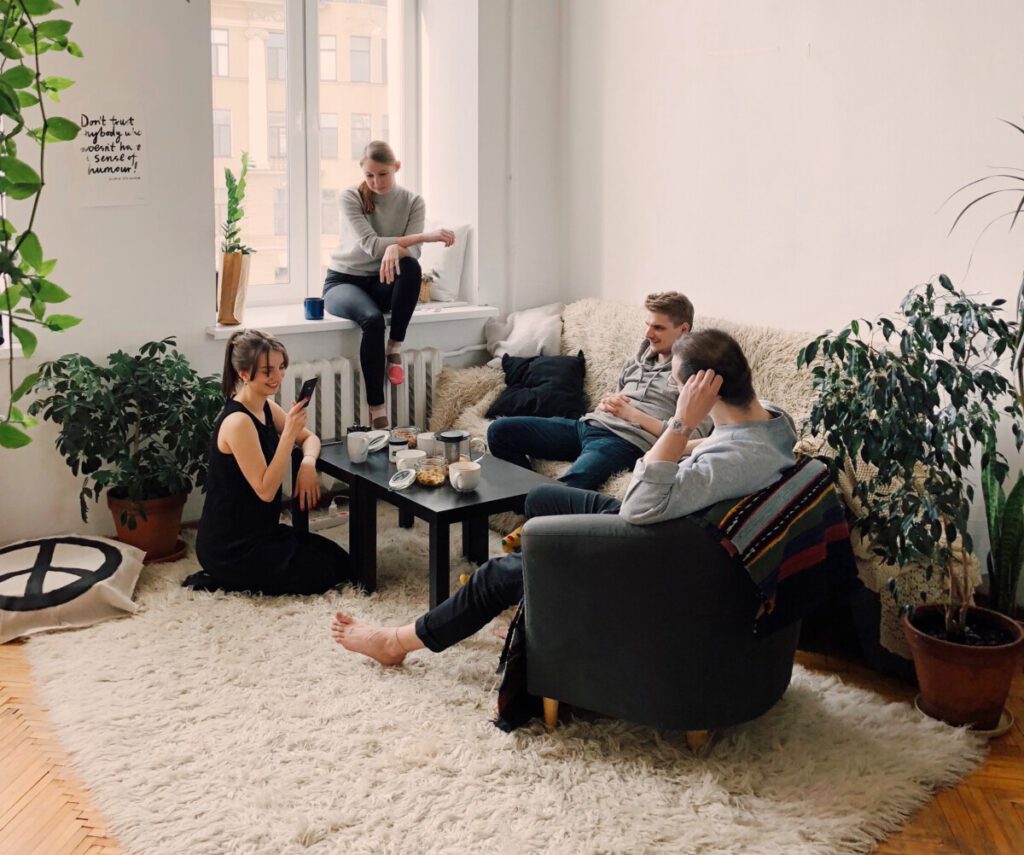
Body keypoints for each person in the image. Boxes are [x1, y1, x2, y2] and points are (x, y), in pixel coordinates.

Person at [330, 328, 798, 666]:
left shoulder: (729, 462)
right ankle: (540, 599)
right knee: (542, 500)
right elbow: (715, 448)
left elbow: (639, 504)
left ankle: (396, 642)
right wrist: (688, 437)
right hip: (671, 515)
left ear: (703, 387)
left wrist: (678, 423)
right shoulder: (771, 422)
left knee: (498, 572)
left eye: (677, 382)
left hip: (653, 547)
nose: (675, 388)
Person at [486, 291, 712, 493]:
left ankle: (536, 518)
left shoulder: (695, 375)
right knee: (500, 431)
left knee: (568, 489)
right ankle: (526, 505)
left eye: (658, 328)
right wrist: (606, 405)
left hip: (623, 442)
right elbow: (619, 399)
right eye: (648, 325)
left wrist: (632, 416)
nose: (648, 334)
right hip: (587, 426)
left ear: (684, 329)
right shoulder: (635, 362)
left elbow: (691, 436)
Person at [184, 329, 352, 596]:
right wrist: (287, 435)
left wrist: (308, 464)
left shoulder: (264, 407)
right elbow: (265, 490)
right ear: (243, 373)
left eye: (281, 367)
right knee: (324, 575)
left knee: (340, 561)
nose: (277, 377)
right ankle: (225, 576)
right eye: (267, 371)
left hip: (263, 531)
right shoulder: (238, 422)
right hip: (231, 545)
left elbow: (310, 439)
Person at [323, 140, 456, 430]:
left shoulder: (412, 202)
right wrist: (422, 237)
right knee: (371, 321)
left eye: (382, 174)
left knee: (411, 266)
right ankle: (377, 410)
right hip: (344, 281)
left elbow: (414, 256)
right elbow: (372, 245)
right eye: (369, 175)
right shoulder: (351, 196)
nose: (376, 182)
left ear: (396, 168)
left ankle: (395, 346)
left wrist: (398, 249)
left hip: (382, 282)